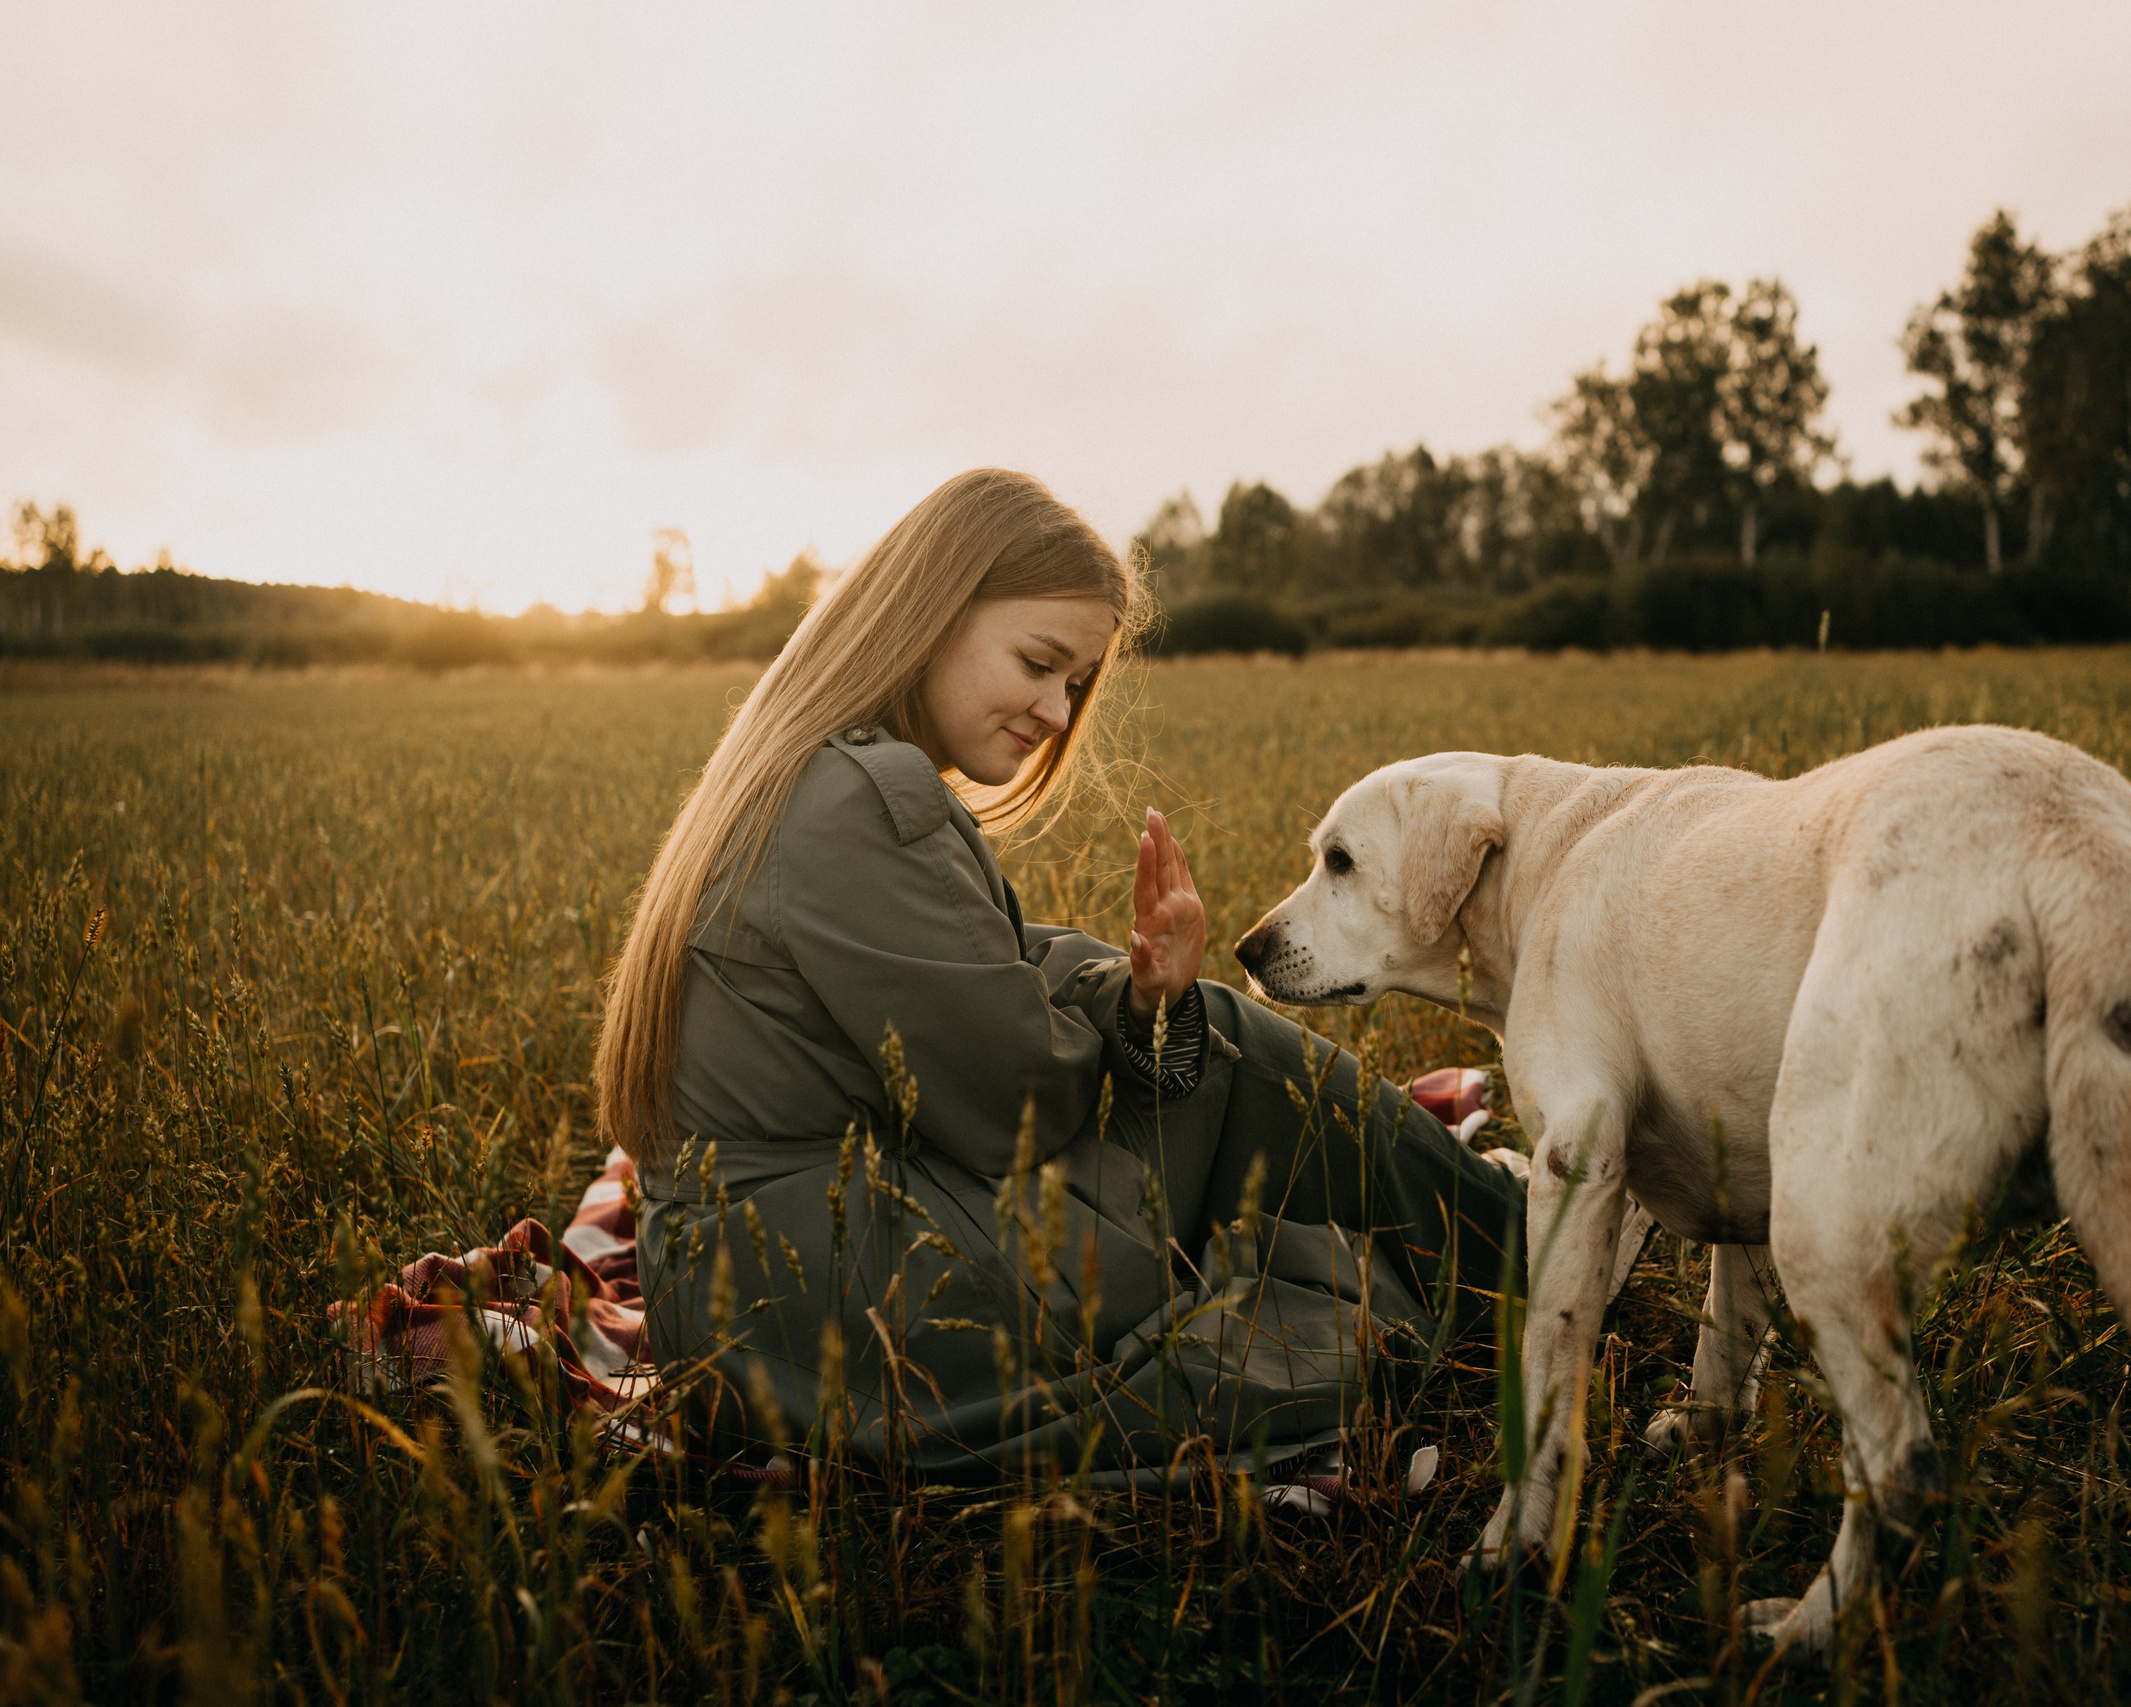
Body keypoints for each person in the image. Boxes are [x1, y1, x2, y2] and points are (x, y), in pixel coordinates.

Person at [593, 468, 1526, 1485]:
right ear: (931, 611)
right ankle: (1523, 1255)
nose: (1054, 707)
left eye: (1074, 681)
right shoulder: (866, 799)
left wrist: (1126, 1000)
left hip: (747, 1298)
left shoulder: (811, 769)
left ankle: (1461, 1239)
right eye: (1039, 662)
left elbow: (997, 961)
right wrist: (1144, 1018)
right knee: (1220, 1049)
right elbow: (1015, 1104)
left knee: (1193, 1043)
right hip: (833, 1293)